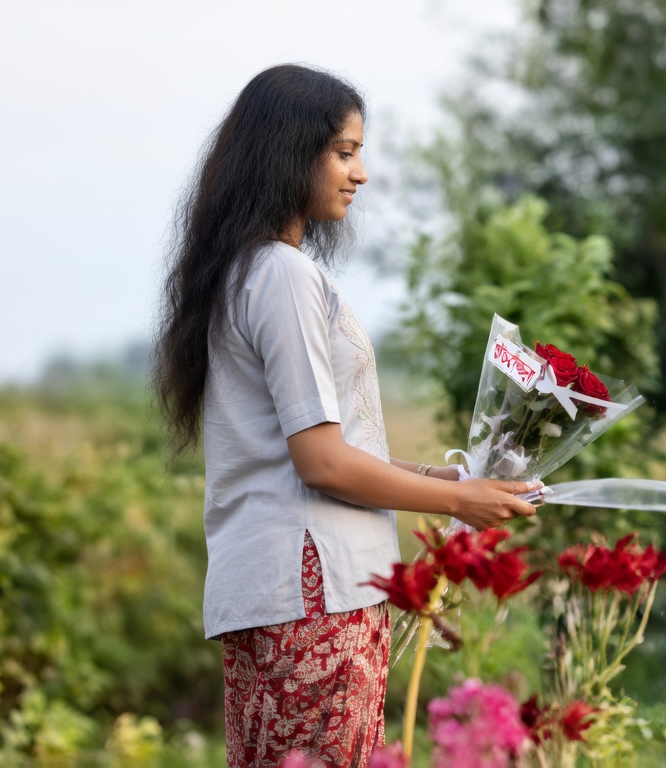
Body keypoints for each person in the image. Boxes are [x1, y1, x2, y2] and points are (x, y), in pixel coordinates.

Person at [151, 63, 541, 768]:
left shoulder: (246, 271)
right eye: (344, 151)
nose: (360, 173)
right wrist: (458, 498)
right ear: (287, 154)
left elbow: (314, 448)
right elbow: (322, 463)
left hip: (281, 587)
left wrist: (439, 476)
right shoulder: (284, 277)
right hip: (314, 589)